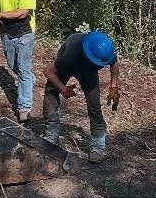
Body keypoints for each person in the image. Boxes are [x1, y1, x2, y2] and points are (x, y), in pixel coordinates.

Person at [42, 29, 120, 163]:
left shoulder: (105, 50)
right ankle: (51, 135)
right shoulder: (70, 56)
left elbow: (114, 63)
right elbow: (48, 71)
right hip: (71, 61)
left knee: (94, 106)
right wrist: (63, 89)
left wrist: (113, 87)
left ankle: (98, 145)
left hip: (87, 71)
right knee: (51, 92)